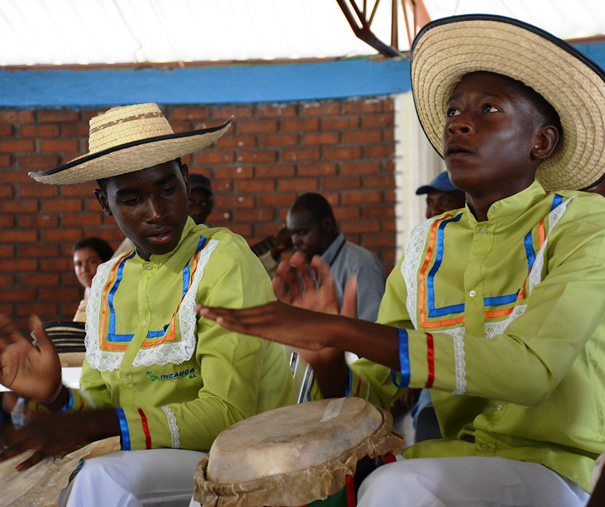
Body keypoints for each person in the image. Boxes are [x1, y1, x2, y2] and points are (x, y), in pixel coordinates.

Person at [197, 15, 605, 507]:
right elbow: (375, 399)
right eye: (453, 110)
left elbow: (531, 370)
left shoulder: (586, 223)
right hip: (444, 463)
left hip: (555, 472)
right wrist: (329, 361)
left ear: (541, 142)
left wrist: (341, 332)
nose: (457, 121)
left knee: (396, 486)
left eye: (489, 109)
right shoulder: (427, 245)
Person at [0, 103, 294, 507]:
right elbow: (103, 403)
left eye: (167, 189)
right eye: (132, 199)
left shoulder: (224, 258)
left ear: (185, 181)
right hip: (146, 457)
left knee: (102, 478)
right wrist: (55, 398)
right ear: (104, 202)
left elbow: (228, 414)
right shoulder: (108, 281)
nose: (157, 212)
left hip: (242, 459)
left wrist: (104, 424)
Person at [285, 192, 386, 322]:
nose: (295, 241)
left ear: (327, 225)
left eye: (302, 232)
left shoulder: (361, 266)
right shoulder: (304, 269)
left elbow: (374, 331)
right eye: (292, 234)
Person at [72, 237, 114, 322]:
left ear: (107, 262)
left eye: (91, 262)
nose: (84, 270)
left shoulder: (114, 293)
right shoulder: (89, 289)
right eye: (78, 264)